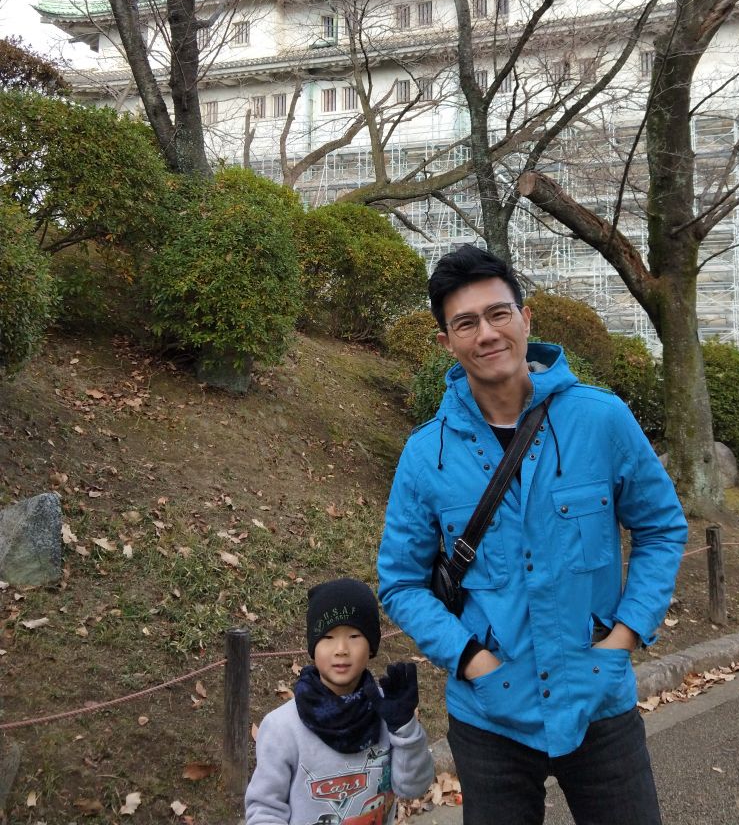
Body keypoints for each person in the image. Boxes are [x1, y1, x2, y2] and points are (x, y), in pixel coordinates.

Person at [378, 245, 688, 825]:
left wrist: (623, 640)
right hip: (489, 715)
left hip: (598, 701)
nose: (486, 333)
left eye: (498, 313)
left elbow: (662, 527)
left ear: (525, 318)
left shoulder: (602, 419)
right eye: (465, 323)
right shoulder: (426, 454)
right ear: (446, 342)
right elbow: (400, 583)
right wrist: (471, 660)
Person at [245, 577, 434, 825]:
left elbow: (413, 788)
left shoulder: (388, 711)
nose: (341, 649)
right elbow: (265, 811)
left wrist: (405, 728)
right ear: (313, 646)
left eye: (354, 635)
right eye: (328, 637)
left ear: (372, 646)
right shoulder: (283, 727)